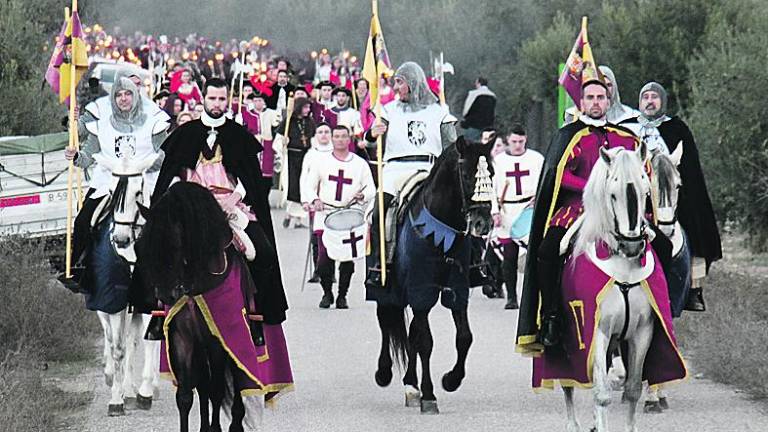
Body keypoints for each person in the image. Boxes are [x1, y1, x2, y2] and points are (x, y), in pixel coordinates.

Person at [516, 76, 652, 354]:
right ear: (581, 102)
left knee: (658, 244)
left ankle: (661, 311)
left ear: (608, 100)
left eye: (600, 98)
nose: (595, 103)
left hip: (620, 211)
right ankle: (551, 315)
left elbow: (643, 172)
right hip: (576, 209)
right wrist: (593, 188)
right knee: (547, 250)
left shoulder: (626, 138)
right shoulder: (569, 136)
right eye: (590, 98)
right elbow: (559, 176)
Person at [151, 77, 288, 327]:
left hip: (230, 205)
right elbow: (170, 177)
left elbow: (251, 179)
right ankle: (160, 309)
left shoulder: (238, 136)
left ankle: (258, 314)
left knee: (263, 252)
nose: (216, 103)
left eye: (221, 99)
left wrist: (234, 199)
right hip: (194, 207)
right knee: (162, 245)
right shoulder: (185, 134)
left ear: (228, 100)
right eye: (212, 98)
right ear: (203, 98)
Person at [60, 73, 170, 300]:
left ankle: (172, 272)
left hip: (144, 180)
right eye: (118, 94)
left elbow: (165, 153)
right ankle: (80, 271)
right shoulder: (102, 119)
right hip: (108, 180)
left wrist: (142, 165)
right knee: (83, 221)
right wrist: (75, 156)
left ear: (136, 94)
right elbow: (88, 156)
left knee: (168, 222)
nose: (123, 99)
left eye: (128, 93)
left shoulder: (154, 118)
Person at [621, 82, 722, 310]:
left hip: (670, 194)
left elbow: (690, 169)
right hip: (636, 192)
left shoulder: (677, 128)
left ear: (662, 102)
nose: (649, 101)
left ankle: (693, 289)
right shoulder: (626, 127)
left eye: (654, 97)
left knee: (693, 221)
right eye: (645, 96)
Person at [363, 62, 458, 288]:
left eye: (400, 82)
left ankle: (470, 263)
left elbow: (451, 147)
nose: (396, 87)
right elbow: (371, 143)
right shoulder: (388, 111)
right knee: (379, 211)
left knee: (459, 205)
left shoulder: (439, 111)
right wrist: (372, 134)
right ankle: (380, 261)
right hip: (396, 170)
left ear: (413, 82)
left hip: (429, 170)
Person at [301, 125, 375, 308]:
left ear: (349, 140)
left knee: (346, 258)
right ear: (332, 139)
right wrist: (314, 199)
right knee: (323, 260)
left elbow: (371, 188)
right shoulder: (322, 162)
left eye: (344, 136)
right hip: (325, 213)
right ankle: (327, 292)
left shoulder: (359, 164)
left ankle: (342, 295)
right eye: (337, 136)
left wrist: (363, 196)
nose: (340, 139)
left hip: (350, 215)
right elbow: (309, 185)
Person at [491, 124, 544, 310]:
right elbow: (492, 188)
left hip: (528, 211)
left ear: (526, 139)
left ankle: (534, 297)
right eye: (514, 141)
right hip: (507, 211)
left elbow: (544, 183)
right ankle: (512, 297)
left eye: (521, 141)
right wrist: (494, 211)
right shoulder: (498, 161)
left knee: (533, 257)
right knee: (509, 257)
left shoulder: (536, 159)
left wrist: (538, 201)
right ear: (508, 141)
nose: (518, 145)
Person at [275, 97, 316, 228]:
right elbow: (278, 141)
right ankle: (289, 215)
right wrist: (283, 143)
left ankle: (297, 219)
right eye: (305, 107)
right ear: (299, 107)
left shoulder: (310, 122)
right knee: (293, 188)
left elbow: (314, 139)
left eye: (309, 107)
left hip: (306, 156)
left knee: (304, 186)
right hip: (292, 157)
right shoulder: (288, 122)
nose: (307, 110)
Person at [242, 92, 282, 193]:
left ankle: (265, 194)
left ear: (264, 102)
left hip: (267, 145)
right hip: (252, 144)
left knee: (266, 171)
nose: (257, 103)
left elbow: (277, 126)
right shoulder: (246, 114)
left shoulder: (271, 113)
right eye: (255, 101)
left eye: (260, 100)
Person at [461, 76, 497, 142]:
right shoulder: (493, 96)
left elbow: (466, 109)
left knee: (469, 143)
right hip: (488, 125)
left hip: (474, 124)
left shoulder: (473, 93)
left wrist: (464, 119)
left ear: (479, 83)